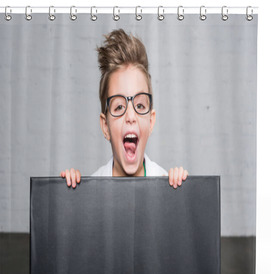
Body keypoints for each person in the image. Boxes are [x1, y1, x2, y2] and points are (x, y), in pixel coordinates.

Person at [60, 29, 188, 188]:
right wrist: (70, 196)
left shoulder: (168, 186)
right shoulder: (89, 191)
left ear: (151, 121)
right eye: (119, 107)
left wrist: (182, 196)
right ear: (105, 125)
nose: (131, 116)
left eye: (140, 105)